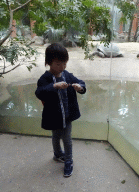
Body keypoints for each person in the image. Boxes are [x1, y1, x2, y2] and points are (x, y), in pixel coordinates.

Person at [35, 43, 86, 177]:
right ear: (48, 63)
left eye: (65, 64)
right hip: (54, 116)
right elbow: (39, 93)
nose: (62, 67)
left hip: (67, 115)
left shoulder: (67, 75)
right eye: (58, 64)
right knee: (56, 136)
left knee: (67, 139)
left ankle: (68, 161)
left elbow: (81, 82)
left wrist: (79, 87)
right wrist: (54, 86)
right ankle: (57, 154)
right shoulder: (44, 79)